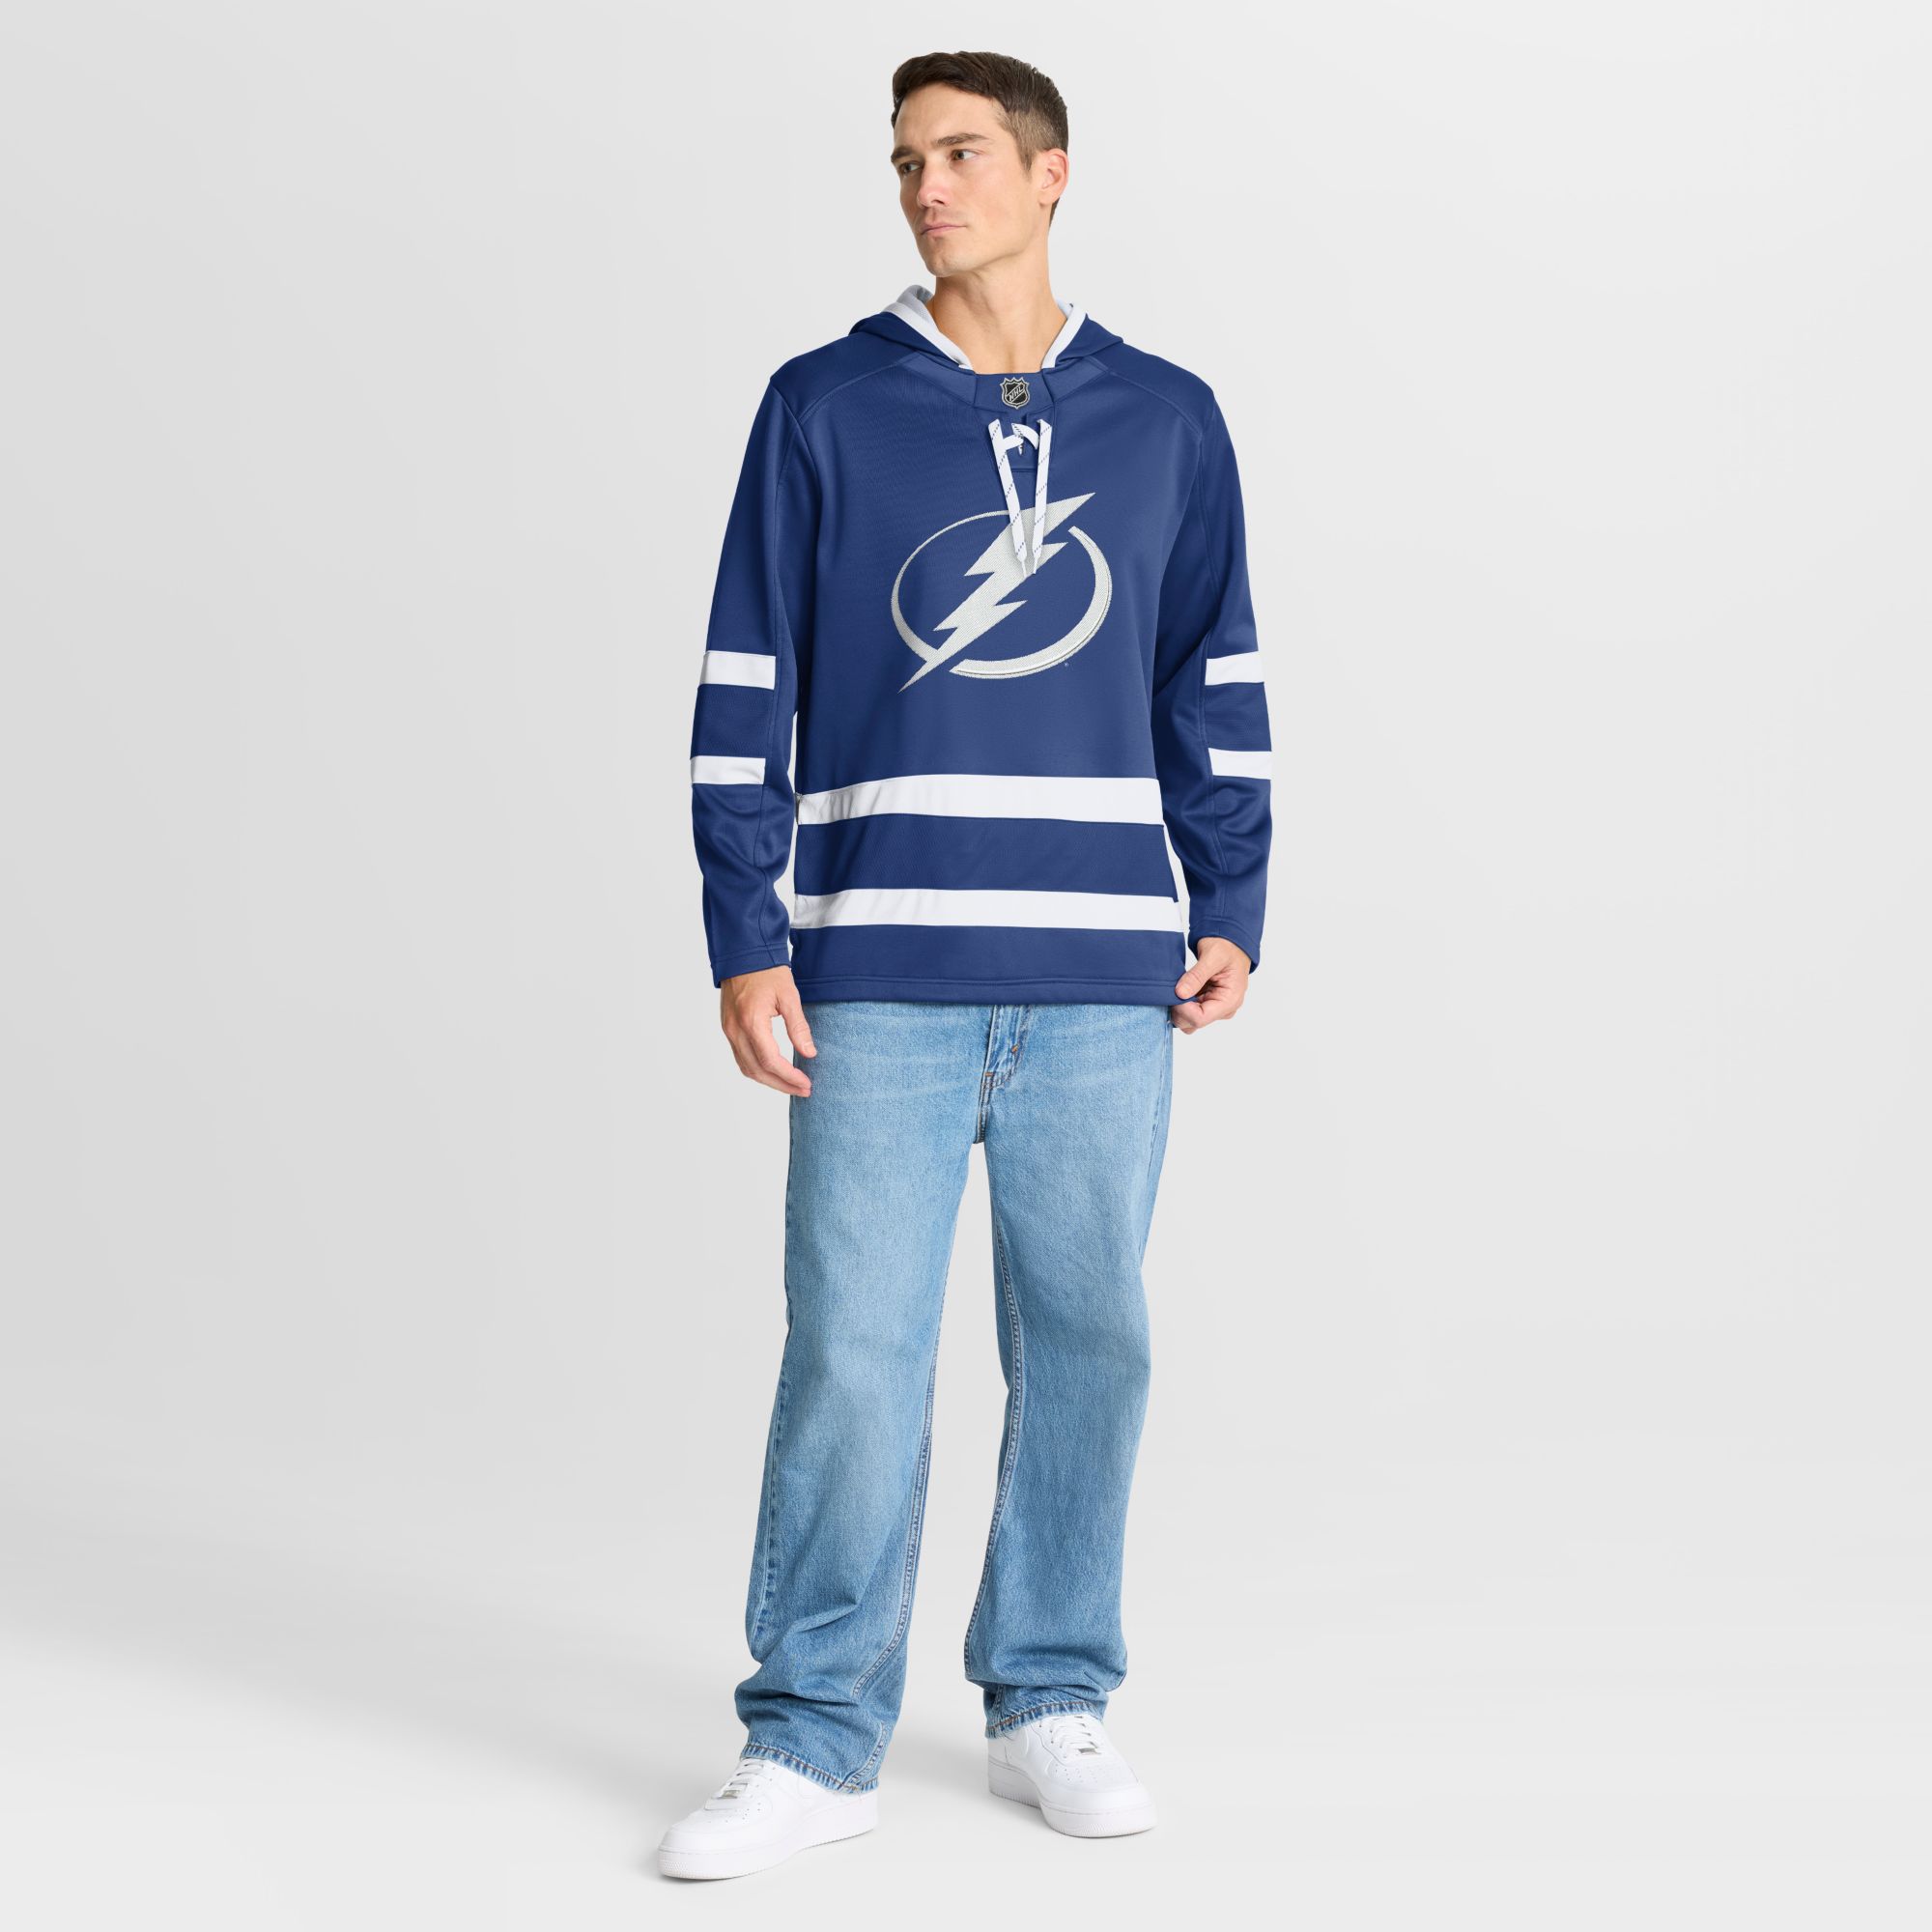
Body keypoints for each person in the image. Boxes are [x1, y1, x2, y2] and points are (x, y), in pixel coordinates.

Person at [659, 48, 1272, 1882]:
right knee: (854, 1352)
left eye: (963, 154)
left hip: (1101, 974)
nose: (929, 188)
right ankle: (812, 1737)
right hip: (876, 966)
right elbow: (745, 677)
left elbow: (1214, 673)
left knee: (1089, 1341)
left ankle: (1050, 1696)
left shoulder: (1168, 421)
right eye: (907, 161)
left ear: (1051, 172)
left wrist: (1232, 895)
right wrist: (744, 930)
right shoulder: (825, 407)